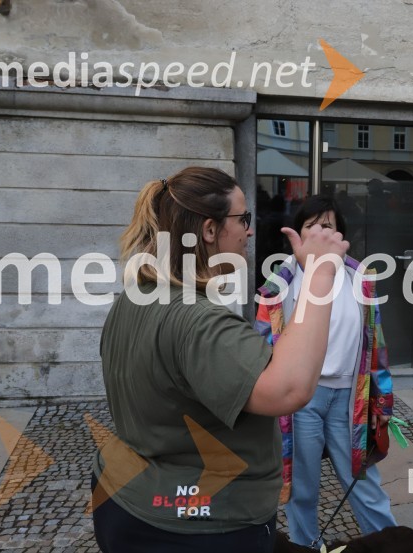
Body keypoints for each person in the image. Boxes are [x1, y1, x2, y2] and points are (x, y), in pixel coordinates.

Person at [94, 167, 348, 553]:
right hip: (195, 527)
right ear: (210, 230)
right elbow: (288, 389)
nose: (249, 230)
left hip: (128, 503)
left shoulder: (137, 295)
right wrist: (320, 272)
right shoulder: (196, 318)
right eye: (243, 218)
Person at [255, 195, 397, 548]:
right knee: (302, 488)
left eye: (328, 226)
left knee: (363, 482)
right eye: (310, 225)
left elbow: (374, 343)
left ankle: (391, 545)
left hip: (352, 398)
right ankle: (305, 546)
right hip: (302, 398)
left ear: (341, 237)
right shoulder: (280, 283)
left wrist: (383, 404)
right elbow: (262, 346)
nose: (319, 232)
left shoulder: (359, 276)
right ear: (298, 235)